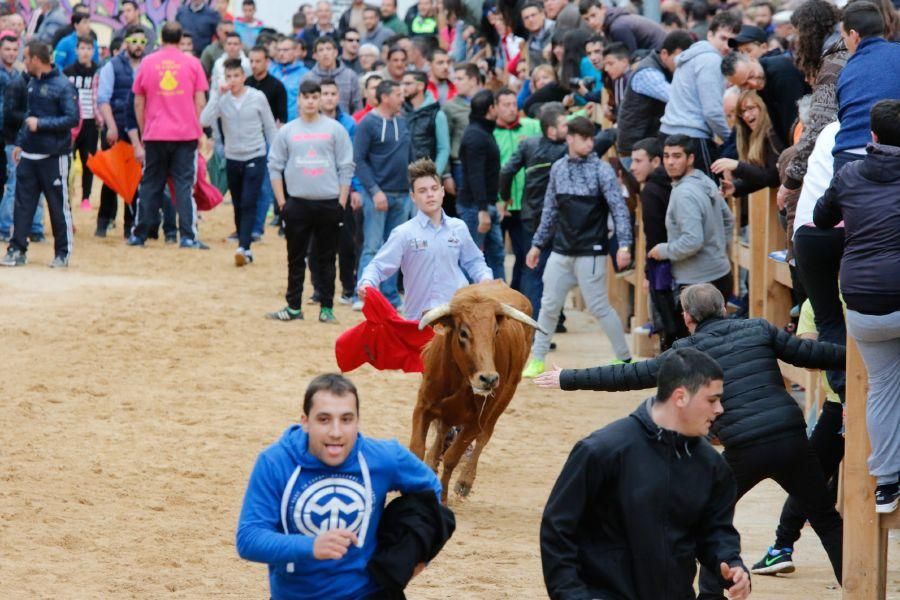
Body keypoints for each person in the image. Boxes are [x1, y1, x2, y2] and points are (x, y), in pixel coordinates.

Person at [535, 282, 846, 595]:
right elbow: (810, 353)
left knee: (708, 522)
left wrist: (568, 378)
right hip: (790, 437)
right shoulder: (759, 328)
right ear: (724, 308)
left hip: (743, 447)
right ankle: (861, 589)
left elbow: (629, 376)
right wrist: (861, 357)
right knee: (827, 520)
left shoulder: (686, 354)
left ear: (686, 318)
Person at [540, 347, 751, 600]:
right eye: (711, 399)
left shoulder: (712, 466)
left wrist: (731, 564)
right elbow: (557, 530)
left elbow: (716, 532)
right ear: (680, 397)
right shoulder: (601, 451)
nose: (719, 409)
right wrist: (572, 596)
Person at [235, 373, 443, 600]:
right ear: (305, 422)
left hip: (369, 593)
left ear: (357, 421)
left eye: (346, 419)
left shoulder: (384, 457)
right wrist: (311, 546)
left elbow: (431, 493)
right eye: (324, 419)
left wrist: (416, 556)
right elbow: (249, 538)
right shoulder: (274, 462)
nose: (336, 432)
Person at [814, 99, 900, 513]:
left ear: (873, 137)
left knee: (882, 387)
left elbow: (822, 216)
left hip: (863, 301)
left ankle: (886, 483)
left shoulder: (849, 174)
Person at [522, 116, 633, 377]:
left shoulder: (601, 170)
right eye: (584, 139)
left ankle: (625, 358)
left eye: (591, 139)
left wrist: (625, 245)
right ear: (570, 138)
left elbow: (619, 209)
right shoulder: (559, 168)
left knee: (598, 306)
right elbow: (549, 210)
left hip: (590, 249)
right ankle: (537, 358)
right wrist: (537, 244)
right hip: (562, 249)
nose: (589, 144)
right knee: (549, 304)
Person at [751, 298, 845, 575]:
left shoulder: (815, 303)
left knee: (809, 476)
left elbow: (812, 361)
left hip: (839, 403)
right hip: (885, 401)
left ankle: (782, 546)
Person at [358, 158, 493, 320]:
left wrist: (485, 278)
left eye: (434, 189)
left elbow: (474, 262)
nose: (430, 194)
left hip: (458, 316)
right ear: (413, 197)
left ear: (442, 192)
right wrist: (366, 283)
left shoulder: (459, 228)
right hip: (420, 320)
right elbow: (378, 266)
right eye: (422, 191)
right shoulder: (403, 233)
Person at [264, 80, 353, 322]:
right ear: (300, 100)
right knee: (295, 258)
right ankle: (293, 307)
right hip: (297, 204)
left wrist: (341, 203)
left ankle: (326, 307)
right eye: (307, 97)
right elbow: (274, 166)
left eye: (316, 96)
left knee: (326, 259)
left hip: (328, 203)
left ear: (321, 100)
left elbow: (346, 166)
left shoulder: (335, 129)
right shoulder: (288, 131)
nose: (311, 101)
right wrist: (283, 202)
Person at [127, 22, 209, 249]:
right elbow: (200, 100)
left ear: (161, 38)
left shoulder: (148, 62)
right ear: (180, 38)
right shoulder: (192, 63)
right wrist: (197, 129)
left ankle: (139, 234)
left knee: (150, 184)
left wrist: (145, 131)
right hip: (185, 134)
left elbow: (138, 101)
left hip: (155, 133)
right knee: (184, 185)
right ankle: (188, 236)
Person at [1, 40, 77, 269]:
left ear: (35, 59)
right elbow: (28, 115)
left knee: (57, 206)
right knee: (23, 205)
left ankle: (62, 252)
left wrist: (41, 124)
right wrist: (20, 143)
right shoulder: (31, 84)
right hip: (29, 156)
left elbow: (72, 119)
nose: (23, 61)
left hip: (54, 157)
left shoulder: (64, 86)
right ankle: (17, 249)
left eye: (25, 57)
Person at [648, 135, 734, 320]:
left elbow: (692, 241)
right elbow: (728, 220)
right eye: (666, 156)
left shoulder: (683, 193)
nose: (670, 162)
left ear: (691, 158)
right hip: (721, 274)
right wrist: (717, 248)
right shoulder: (705, 181)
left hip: (696, 287)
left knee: (692, 346)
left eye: (677, 156)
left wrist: (663, 250)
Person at [201, 58, 277, 266]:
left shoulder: (257, 97)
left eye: (236, 76)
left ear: (244, 77)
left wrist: (276, 153)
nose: (232, 80)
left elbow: (270, 126)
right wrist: (216, 94)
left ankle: (244, 246)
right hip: (233, 157)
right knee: (237, 202)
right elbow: (205, 120)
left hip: (256, 154)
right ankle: (244, 244)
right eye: (228, 76)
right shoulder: (222, 99)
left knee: (249, 199)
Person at [499, 103, 568, 321]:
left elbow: (506, 171)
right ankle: (550, 322)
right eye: (564, 125)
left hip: (530, 216)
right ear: (551, 130)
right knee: (553, 271)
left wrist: (505, 196)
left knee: (533, 268)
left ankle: (530, 324)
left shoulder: (528, 145)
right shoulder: (567, 149)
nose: (568, 129)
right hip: (558, 219)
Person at [659, 11, 742, 177]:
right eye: (723, 38)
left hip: (670, 132)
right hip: (692, 136)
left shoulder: (693, 55)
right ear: (710, 34)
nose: (727, 46)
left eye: (731, 41)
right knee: (707, 194)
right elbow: (712, 111)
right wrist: (730, 139)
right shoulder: (711, 60)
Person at [352, 80, 411, 311]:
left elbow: (410, 156)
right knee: (373, 247)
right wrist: (375, 191)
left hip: (402, 194)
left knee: (394, 250)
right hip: (377, 195)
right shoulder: (368, 123)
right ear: (385, 97)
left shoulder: (403, 122)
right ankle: (364, 295)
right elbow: (359, 159)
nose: (402, 98)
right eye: (398, 94)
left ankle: (390, 298)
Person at [832, 1, 900, 174]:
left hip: (848, 156)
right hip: (892, 152)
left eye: (844, 37)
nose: (844, 43)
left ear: (854, 35)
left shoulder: (847, 71)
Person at [95, 25, 146, 238]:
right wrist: (111, 126)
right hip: (115, 128)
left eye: (142, 42)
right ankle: (103, 222)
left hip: (139, 132)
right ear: (126, 43)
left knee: (134, 180)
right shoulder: (112, 66)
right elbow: (103, 99)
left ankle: (130, 226)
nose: (138, 46)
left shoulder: (148, 65)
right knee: (111, 178)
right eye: (134, 41)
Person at [630, 137, 680, 351]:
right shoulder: (673, 182)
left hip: (663, 265)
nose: (632, 167)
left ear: (656, 162)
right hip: (680, 259)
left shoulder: (651, 190)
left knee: (669, 327)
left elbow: (654, 237)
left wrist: (647, 273)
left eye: (639, 161)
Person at [615, 30, 693, 158]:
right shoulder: (647, 72)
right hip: (635, 149)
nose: (682, 63)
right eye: (679, 58)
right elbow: (675, 96)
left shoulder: (668, 69)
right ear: (664, 54)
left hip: (649, 145)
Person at [493, 87, 541, 292]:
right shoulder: (491, 133)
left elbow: (557, 122)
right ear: (495, 107)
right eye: (506, 105)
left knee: (524, 254)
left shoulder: (530, 126)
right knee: (495, 254)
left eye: (514, 104)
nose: (512, 109)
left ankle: (517, 295)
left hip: (524, 202)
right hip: (498, 203)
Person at [457, 89, 505, 282]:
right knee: (471, 259)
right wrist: (483, 210)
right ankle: (466, 306)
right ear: (490, 108)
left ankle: (500, 300)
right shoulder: (476, 136)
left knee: (496, 255)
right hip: (475, 207)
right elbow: (475, 176)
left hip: (486, 205)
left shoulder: (484, 131)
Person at [720, 51, 809, 150]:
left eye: (751, 75)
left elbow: (794, 122)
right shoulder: (763, 79)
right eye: (744, 85)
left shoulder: (781, 73)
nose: (753, 84)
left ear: (752, 59)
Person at [711, 89, 783, 197]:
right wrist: (736, 187)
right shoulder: (752, 135)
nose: (746, 115)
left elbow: (773, 177)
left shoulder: (773, 132)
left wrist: (737, 166)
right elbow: (763, 176)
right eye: (742, 112)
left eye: (750, 108)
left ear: (762, 107)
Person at [64, 36, 99, 212]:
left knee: (89, 161)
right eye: (82, 48)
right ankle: (68, 195)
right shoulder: (68, 72)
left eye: (88, 48)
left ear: (93, 51)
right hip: (71, 124)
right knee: (68, 162)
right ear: (76, 50)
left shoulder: (98, 72)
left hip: (91, 123)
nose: (85, 52)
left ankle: (86, 196)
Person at [442, 63, 480, 197]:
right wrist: (446, 174)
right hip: (461, 165)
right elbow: (444, 142)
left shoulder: (490, 101)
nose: (455, 83)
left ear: (473, 80)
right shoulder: (450, 107)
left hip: (487, 163)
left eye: (460, 79)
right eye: (454, 79)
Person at [402, 70, 449, 174]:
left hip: (424, 175)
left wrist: (435, 175)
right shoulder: (399, 111)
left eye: (408, 84)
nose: (403, 88)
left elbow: (443, 149)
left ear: (421, 86)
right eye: (402, 83)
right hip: (400, 178)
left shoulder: (437, 114)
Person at [578, 0, 667, 55]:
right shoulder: (613, 22)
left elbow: (630, 58)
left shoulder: (617, 27)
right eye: (586, 19)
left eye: (593, 15)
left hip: (663, 53)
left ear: (603, 9)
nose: (591, 22)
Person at [301, 36, 362, 116]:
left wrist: (350, 123)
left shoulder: (350, 76)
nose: (325, 53)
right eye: (321, 50)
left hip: (344, 125)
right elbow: (301, 107)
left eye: (328, 49)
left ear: (336, 52)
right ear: (315, 56)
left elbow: (358, 107)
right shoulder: (307, 78)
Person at [269, 36, 309, 122]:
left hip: (294, 124)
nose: (281, 54)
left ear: (295, 51)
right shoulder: (270, 71)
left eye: (285, 50)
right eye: (279, 50)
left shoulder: (305, 74)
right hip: (272, 124)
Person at [521, 0, 555, 68]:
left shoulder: (556, 29)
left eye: (533, 15)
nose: (530, 20)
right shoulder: (530, 44)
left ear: (542, 14)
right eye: (526, 18)